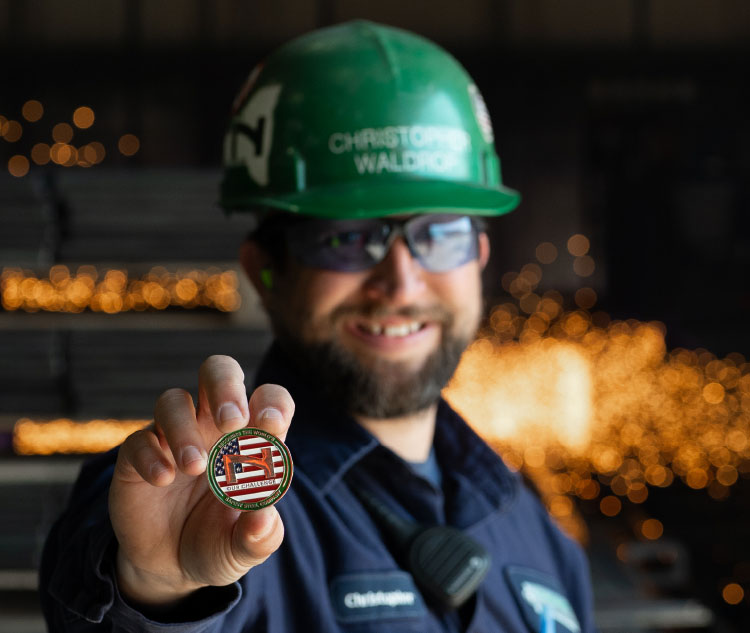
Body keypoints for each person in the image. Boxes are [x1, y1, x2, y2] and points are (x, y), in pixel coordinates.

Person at [40, 20, 595, 633]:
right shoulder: (201, 502)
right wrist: (158, 591)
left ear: (480, 260)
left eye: (439, 234)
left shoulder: (529, 525)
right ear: (265, 270)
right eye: (348, 238)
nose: (402, 282)